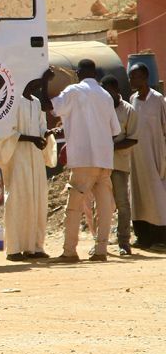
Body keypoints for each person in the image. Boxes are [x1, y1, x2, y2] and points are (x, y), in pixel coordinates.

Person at [40, 60, 121, 262]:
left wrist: (43, 83)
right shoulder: (105, 95)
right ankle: (101, 250)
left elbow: (49, 106)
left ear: (78, 73)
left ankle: (69, 251)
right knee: (104, 208)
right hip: (104, 160)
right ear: (95, 73)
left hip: (83, 159)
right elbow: (115, 130)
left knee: (74, 207)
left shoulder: (73, 91)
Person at [0, 79, 52, 261]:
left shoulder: (36, 103)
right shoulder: (11, 101)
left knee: (36, 199)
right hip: (17, 157)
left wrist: (47, 134)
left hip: (35, 158)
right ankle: (14, 248)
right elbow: (4, 133)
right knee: (18, 200)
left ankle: (34, 246)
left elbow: (41, 128)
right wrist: (30, 138)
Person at [127, 63, 166, 251]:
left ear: (145, 77)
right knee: (139, 195)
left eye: (134, 76)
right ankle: (143, 236)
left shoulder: (158, 100)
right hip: (136, 157)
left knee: (157, 195)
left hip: (155, 155)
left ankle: (161, 238)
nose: (131, 80)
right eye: (130, 77)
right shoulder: (132, 99)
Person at [103, 75, 139, 255]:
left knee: (122, 203)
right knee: (101, 204)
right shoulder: (100, 108)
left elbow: (132, 138)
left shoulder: (128, 110)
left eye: (109, 92)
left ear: (116, 90)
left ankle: (124, 242)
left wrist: (111, 146)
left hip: (119, 163)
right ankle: (100, 241)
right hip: (101, 163)